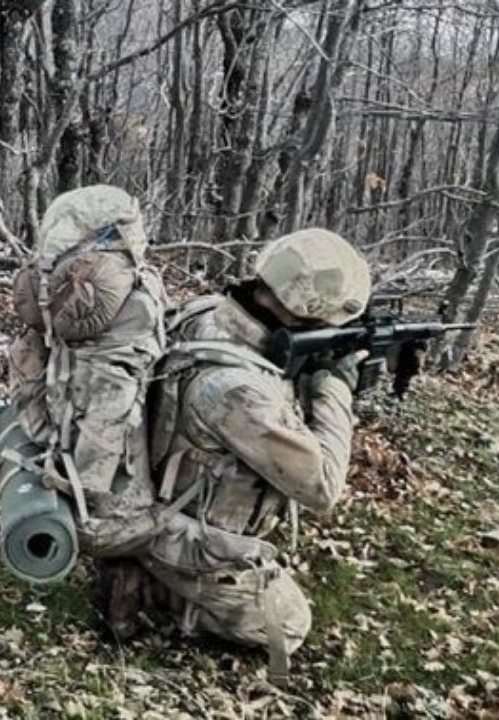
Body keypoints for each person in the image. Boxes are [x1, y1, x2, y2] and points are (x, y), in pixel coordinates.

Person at [85, 228, 371, 685]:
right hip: (184, 531)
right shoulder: (239, 390)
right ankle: (150, 590)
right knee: (291, 625)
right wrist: (335, 386)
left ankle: (148, 568)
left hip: (160, 494)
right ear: (311, 313)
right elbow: (323, 487)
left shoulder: (205, 313)